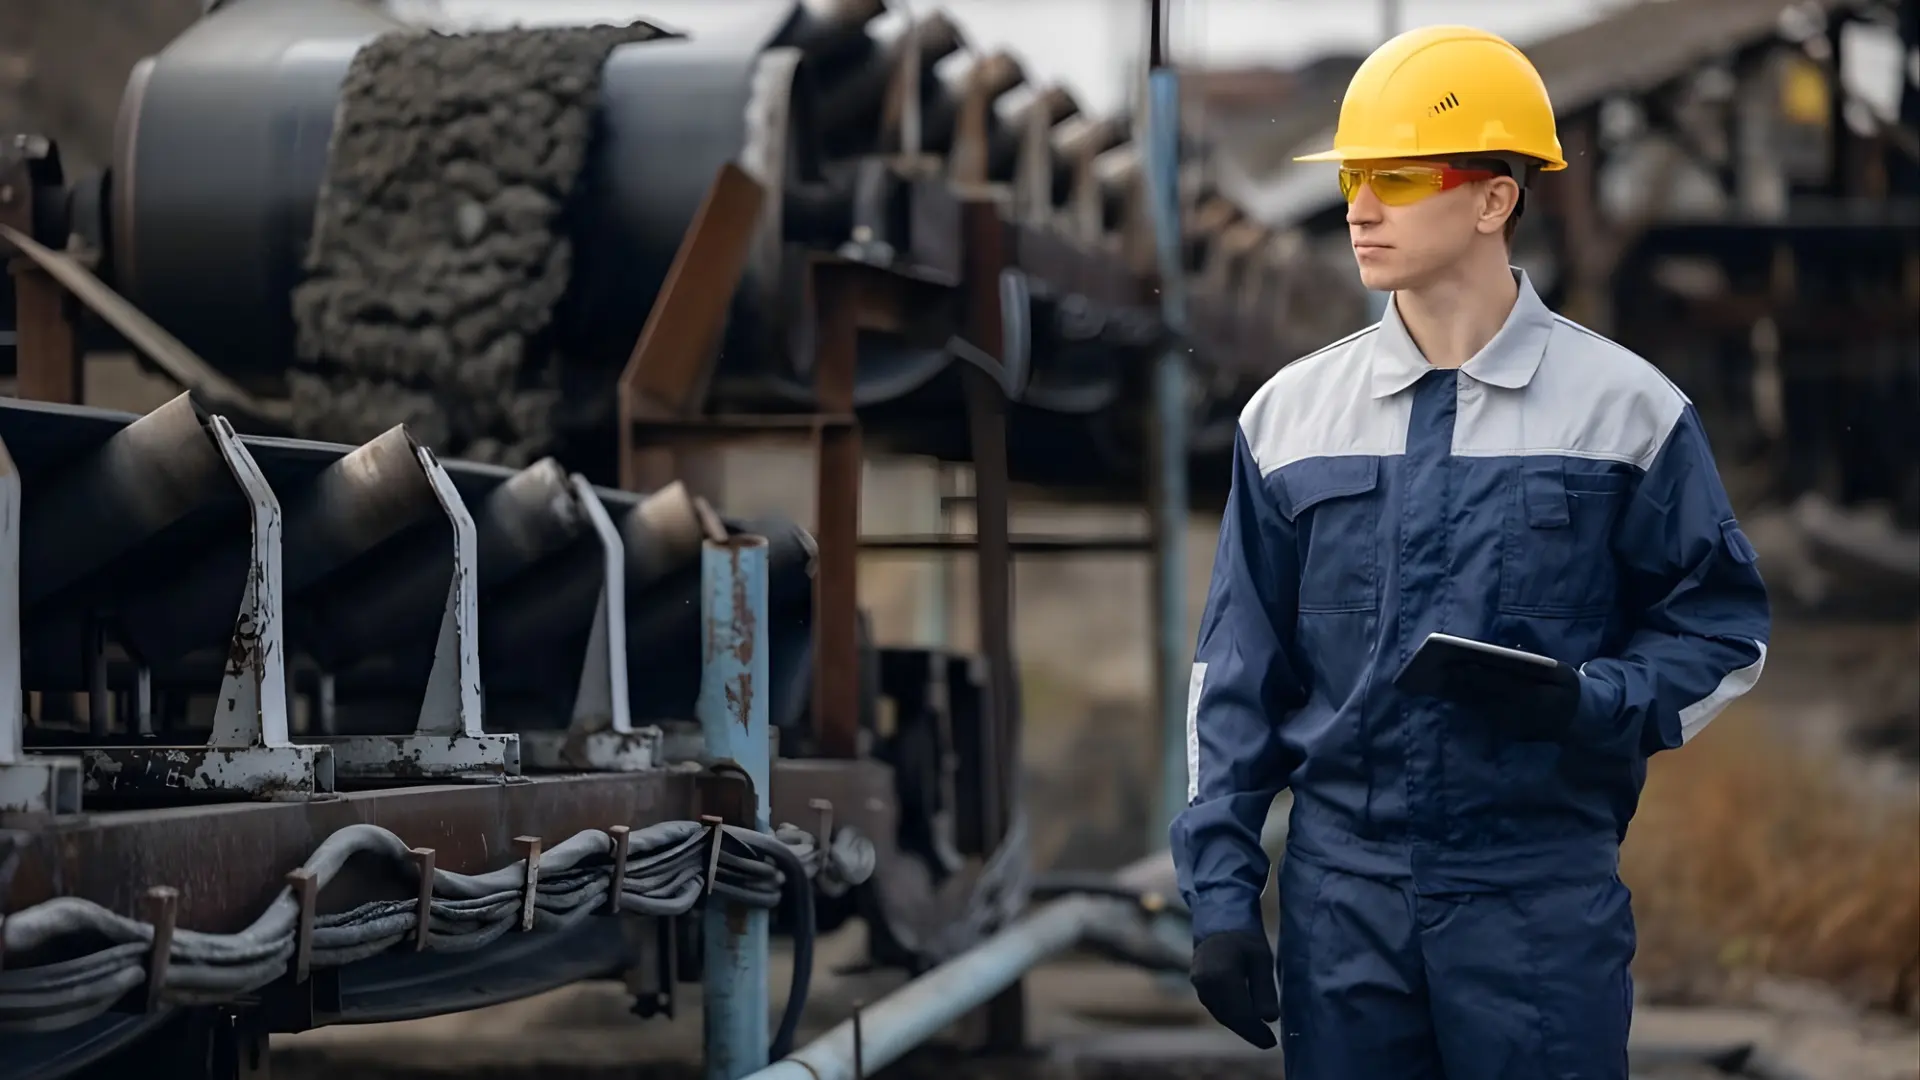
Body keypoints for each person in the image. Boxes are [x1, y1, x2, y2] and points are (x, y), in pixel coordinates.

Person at [1169, 24, 1772, 1080]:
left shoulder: (1627, 413)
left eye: (1397, 178)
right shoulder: (1289, 419)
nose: (1358, 208)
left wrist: (1592, 700)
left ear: (1495, 198)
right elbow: (1234, 679)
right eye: (1356, 177)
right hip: (1342, 899)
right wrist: (1221, 898)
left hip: (1536, 898)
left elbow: (1723, 630)